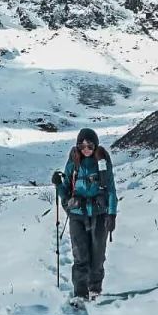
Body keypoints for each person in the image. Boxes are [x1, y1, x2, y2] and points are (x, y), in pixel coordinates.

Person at [52, 128, 119, 305]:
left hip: (99, 214)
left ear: (95, 145)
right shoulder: (73, 162)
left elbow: (111, 189)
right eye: (82, 145)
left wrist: (112, 213)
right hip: (77, 215)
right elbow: (65, 188)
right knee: (80, 256)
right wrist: (58, 185)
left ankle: (95, 288)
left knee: (97, 255)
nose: (86, 149)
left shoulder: (102, 162)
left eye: (90, 145)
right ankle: (80, 293)